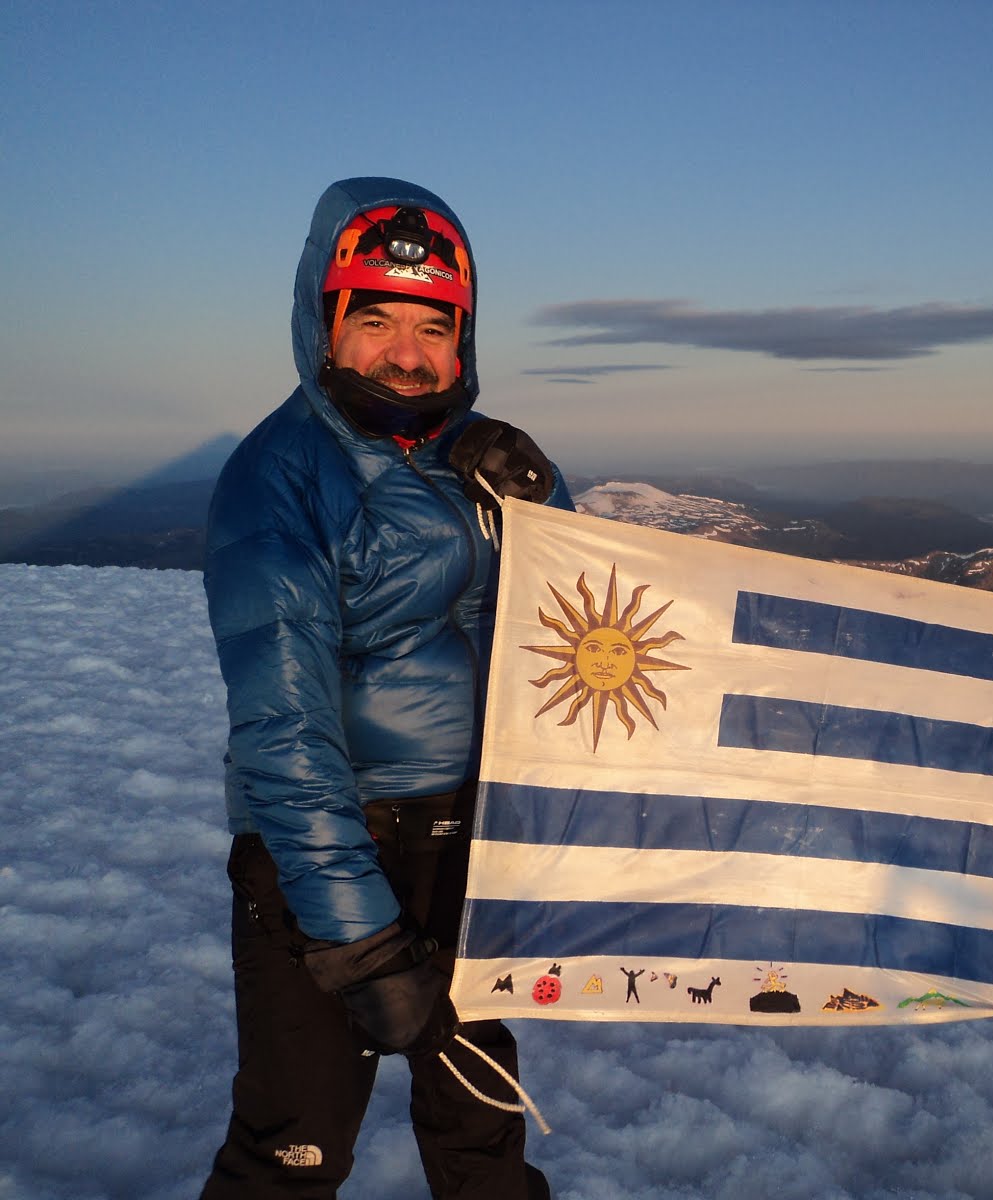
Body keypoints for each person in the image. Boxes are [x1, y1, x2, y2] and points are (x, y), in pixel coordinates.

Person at [200, 177, 571, 1198]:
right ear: (325, 324)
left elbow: (586, 636)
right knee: (291, 1154)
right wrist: (358, 942)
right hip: (325, 869)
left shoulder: (479, 459)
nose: (408, 354)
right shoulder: (279, 480)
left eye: (432, 328)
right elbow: (285, 737)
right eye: (376, 321)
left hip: (473, 855)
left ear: (464, 339)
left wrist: (550, 509)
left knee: (483, 1146)